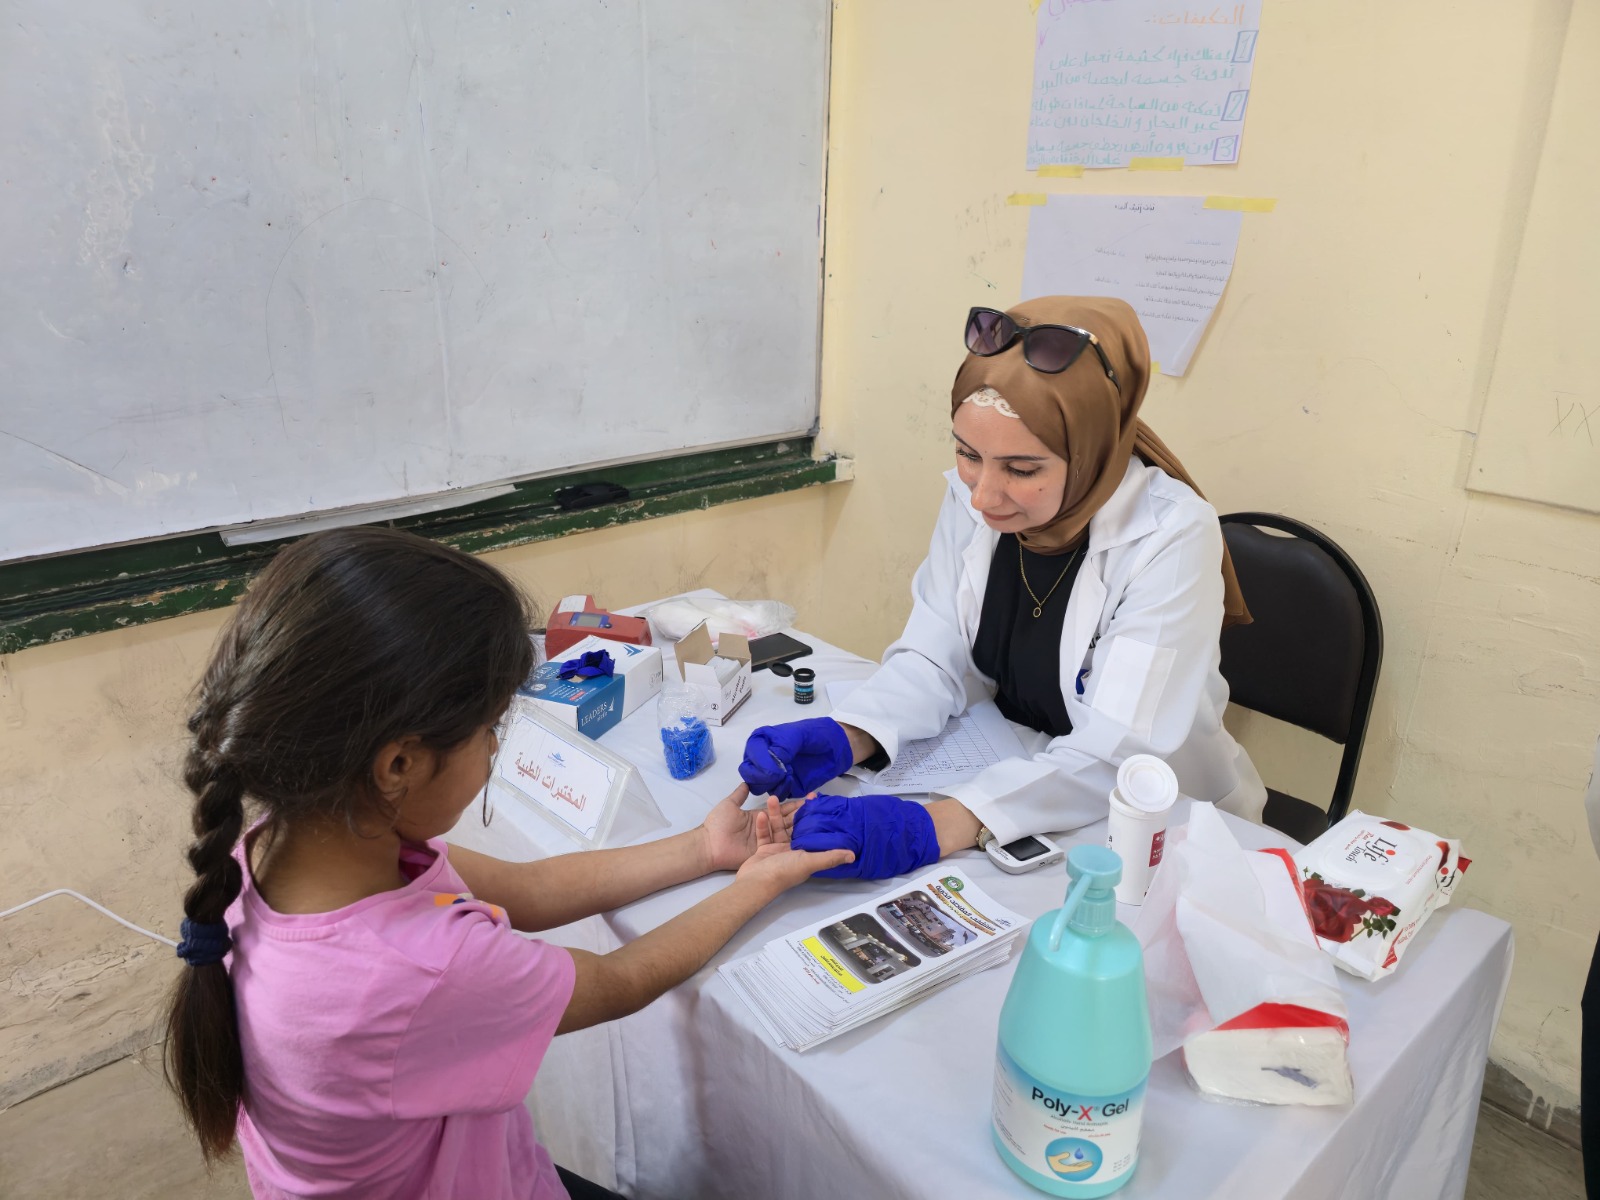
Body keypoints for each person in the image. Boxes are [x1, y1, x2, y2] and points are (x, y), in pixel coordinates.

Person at [163, 527, 851, 1200]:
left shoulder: (279, 848)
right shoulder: (419, 969)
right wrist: (757, 885)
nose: (496, 749)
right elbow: (617, 981)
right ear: (398, 764)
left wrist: (703, 849)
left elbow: (528, 888)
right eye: (490, 728)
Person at [742, 296, 1266, 880]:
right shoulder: (975, 501)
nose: (983, 495)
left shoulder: (1171, 534)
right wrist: (851, 732)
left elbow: (1119, 751)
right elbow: (936, 653)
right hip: (1011, 764)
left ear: (1090, 450)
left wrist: (940, 824)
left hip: (1153, 827)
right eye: (968, 454)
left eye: (1021, 469)